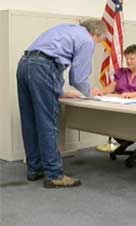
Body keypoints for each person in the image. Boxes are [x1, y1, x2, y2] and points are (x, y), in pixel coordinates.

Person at [17, 19, 107, 188]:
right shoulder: (87, 40)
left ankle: (34, 168)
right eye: (99, 41)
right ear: (96, 34)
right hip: (42, 69)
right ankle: (54, 174)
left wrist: (60, 91)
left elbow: (49, 61)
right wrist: (90, 93)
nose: (95, 45)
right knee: (47, 123)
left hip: (24, 64)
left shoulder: (66, 29)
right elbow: (78, 77)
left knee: (29, 120)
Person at [93, 44, 136, 153]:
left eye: (132, 59)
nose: (128, 61)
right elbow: (112, 87)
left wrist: (132, 95)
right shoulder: (121, 72)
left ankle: (133, 139)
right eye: (127, 59)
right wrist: (100, 91)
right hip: (124, 108)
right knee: (107, 121)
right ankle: (126, 139)